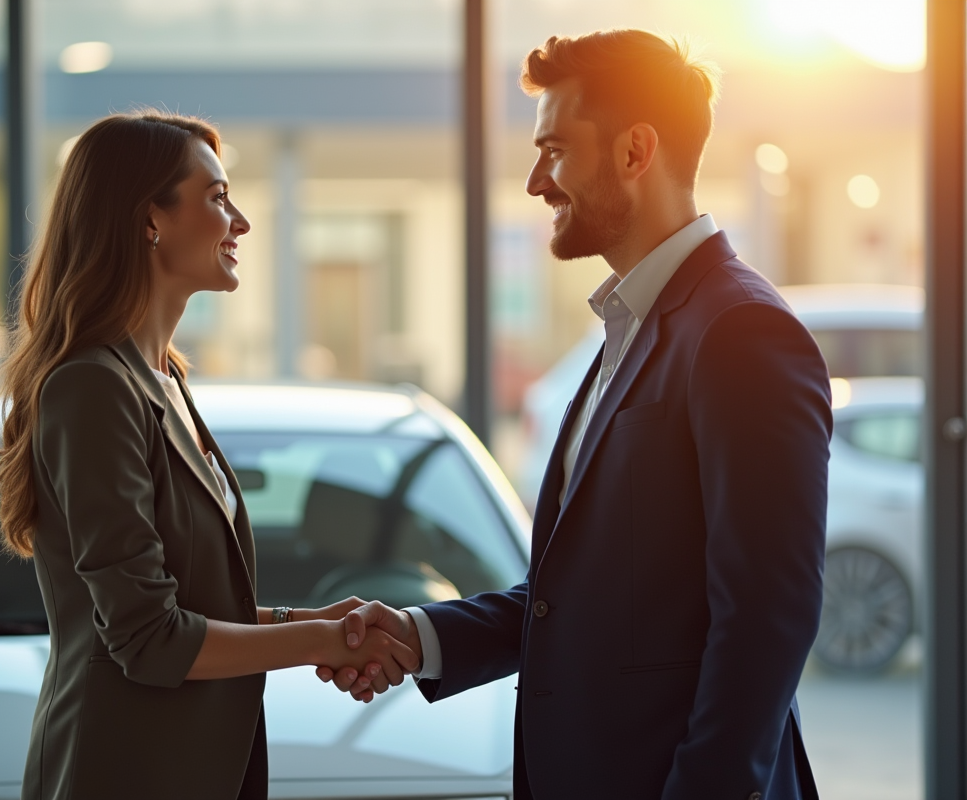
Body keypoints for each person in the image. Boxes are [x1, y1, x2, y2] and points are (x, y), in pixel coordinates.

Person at [327, 29, 829, 800]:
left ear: (635, 151)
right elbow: (579, 601)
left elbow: (767, 618)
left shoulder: (741, 333)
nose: (535, 181)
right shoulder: (630, 331)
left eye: (554, 150)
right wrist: (418, 635)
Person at [0, 110, 416, 800]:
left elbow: (203, 606)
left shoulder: (165, 379)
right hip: (121, 774)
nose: (239, 221)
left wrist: (326, 622)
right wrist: (321, 644)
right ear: (147, 219)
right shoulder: (92, 386)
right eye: (216, 198)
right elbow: (150, 636)